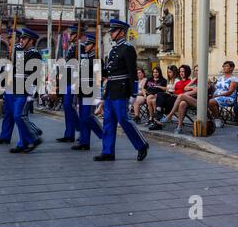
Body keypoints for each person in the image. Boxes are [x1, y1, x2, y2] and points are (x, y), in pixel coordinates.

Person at [94, 19, 149, 162]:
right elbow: (109, 72)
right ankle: (107, 152)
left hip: (122, 89)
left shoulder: (128, 48)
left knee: (124, 119)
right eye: (111, 31)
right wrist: (99, 66)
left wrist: (134, 93)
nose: (111, 33)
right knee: (108, 121)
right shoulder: (113, 50)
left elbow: (132, 72)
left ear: (121, 32)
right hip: (111, 90)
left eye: (113, 31)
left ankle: (141, 144)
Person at [9, 28, 43, 154]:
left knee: (19, 116)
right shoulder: (21, 53)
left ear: (31, 41)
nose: (21, 40)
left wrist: (32, 93)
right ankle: (22, 143)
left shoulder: (35, 54)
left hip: (26, 89)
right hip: (17, 88)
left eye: (24, 38)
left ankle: (33, 138)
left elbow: (36, 75)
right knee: (18, 117)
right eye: (21, 38)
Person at [71, 34, 103, 151]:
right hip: (81, 90)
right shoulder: (85, 59)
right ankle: (84, 142)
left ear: (94, 46)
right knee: (82, 117)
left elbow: (99, 78)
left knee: (88, 117)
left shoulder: (96, 60)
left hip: (90, 90)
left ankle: (104, 135)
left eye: (88, 44)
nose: (86, 46)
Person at [56, 25, 86, 143]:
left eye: (72, 34)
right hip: (67, 80)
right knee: (67, 106)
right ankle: (69, 133)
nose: (70, 36)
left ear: (77, 35)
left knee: (70, 106)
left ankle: (79, 128)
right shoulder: (70, 47)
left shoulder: (81, 48)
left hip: (75, 81)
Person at [149, 65, 192, 131]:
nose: (181, 73)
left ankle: (158, 120)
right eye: (180, 71)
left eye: (183, 71)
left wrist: (173, 94)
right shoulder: (179, 82)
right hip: (173, 96)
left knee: (162, 99)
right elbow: (175, 91)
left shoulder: (188, 82)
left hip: (178, 99)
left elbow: (184, 93)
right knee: (159, 94)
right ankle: (158, 113)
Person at [208, 61, 238, 128]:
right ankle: (210, 119)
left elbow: (230, 92)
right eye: (223, 66)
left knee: (211, 102)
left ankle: (217, 119)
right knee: (204, 100)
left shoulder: (234, 79)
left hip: (228, 98)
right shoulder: (220, 78)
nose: (224, 67)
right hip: (217, 97)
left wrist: (218, 96)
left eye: (226, 66)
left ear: (232, 68)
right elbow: (216, 88)